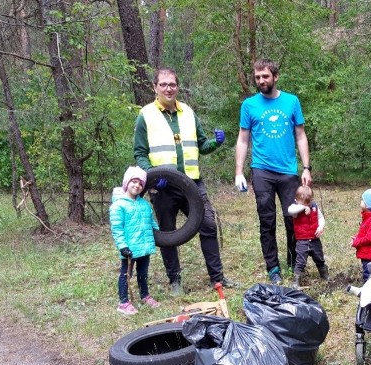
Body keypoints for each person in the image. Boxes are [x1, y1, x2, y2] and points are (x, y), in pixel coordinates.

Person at [134, 67, 236, 295]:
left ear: (177, 87)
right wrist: (151, 177)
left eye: (172, 84)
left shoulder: (188, 112)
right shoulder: (146, 115)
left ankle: (217, 278)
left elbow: (202, 146)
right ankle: (175, 281)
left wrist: (215, 143)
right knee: (168, 234)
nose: (168, 88)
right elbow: (140, 153)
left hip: (192, 184)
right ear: (155, 87)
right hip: (163, 187)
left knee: (208, 225)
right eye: (163, 84)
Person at [234, 58, 312, 284]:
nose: (261, 81)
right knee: (266, 220)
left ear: (275, 77)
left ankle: (293, 263)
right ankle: (273, 268)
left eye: (265, 76)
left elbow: (300, 135)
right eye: (257, 77)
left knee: (293, 218)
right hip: (261, 171)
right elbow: (242, 139)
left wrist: (306, 167)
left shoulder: (291, 101)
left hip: (288, 171)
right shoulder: (249, 105)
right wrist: (239, 171)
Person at [110, 166, 161, 316]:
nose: (137, 185)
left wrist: (161, 236)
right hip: (130, 250)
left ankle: (145, 295)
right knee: (126, 274)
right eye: (134, 181)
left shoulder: (145, 204)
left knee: (143, 273)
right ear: (127, 183)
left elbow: (152, 223)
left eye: (140, 184)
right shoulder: (118, 205)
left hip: (144, 247)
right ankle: (124, 302)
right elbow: (117, 229)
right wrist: (123, 246)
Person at [286, 185, 327, 288]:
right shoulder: (295, 208)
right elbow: (290, 211)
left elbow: (321, 218)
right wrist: (303, 207)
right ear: (296, 200)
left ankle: (324, 275)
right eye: (304, 203)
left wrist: (321, 227)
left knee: (319, 258)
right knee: (300, 261)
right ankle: (296, 281)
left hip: (314, 239)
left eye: (309, 202)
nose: (308, 205)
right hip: (302, 241)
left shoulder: (314, 206)